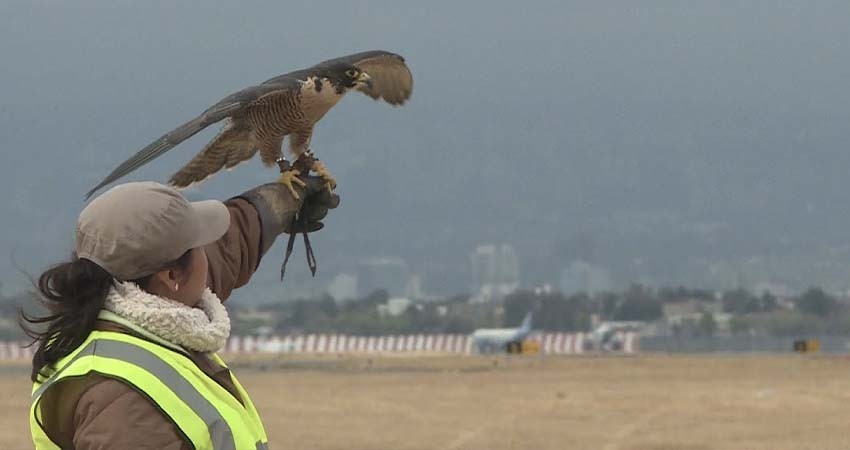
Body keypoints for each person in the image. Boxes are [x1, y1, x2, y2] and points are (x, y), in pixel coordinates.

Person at [24, 173, 339, 449]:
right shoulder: (122, 403)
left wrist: (278, 202)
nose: (208, 253)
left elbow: (225, 252)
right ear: (171, 276)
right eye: (199, 245)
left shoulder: (129, 309)